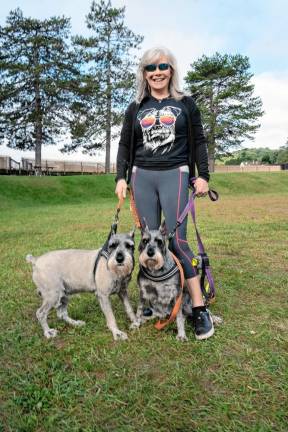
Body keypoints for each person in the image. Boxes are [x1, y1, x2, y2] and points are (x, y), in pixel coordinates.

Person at [115, 46, 214, 340]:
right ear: (144, 73)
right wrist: (121, 176)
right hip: (142, 177)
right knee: (148, 240)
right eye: (151, 68)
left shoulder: (186, 103)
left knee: (178, 243)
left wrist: (204, 176)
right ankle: (151, 301)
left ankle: (198, 308)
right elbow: (123, 145)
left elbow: (199, 141)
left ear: (171, 70)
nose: (157, 72)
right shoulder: (135, 107)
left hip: (176, 176)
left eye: (163, 66)